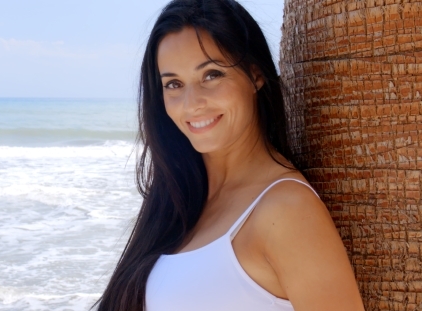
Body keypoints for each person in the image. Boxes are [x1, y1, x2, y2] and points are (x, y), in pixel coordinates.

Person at [95, 0, 365, 310]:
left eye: (211, 75)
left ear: (255, 74)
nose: (192, 103)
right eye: (174, 84)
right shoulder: (180, 202)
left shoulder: (287, 210)